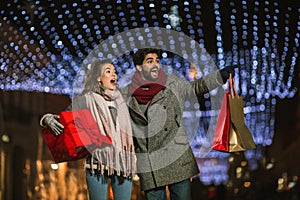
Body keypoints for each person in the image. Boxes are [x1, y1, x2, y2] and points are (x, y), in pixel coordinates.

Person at [120, 48, 237, 200]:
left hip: (176, 155)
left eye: (157, 61)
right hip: (150, 162)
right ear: (139, 67)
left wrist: (219, 76)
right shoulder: (125, 94)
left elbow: (195, 87)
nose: (155, 65)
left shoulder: (172, 83)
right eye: (150, 61)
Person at [40, 59, 136, 200]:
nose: (113, 75)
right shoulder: (85, 99)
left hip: (123, 161)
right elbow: (65, 118)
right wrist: (46, 119)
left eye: (114, 72)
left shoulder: (123, 101)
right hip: (97, 162)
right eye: (108, 72)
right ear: (98, 78)